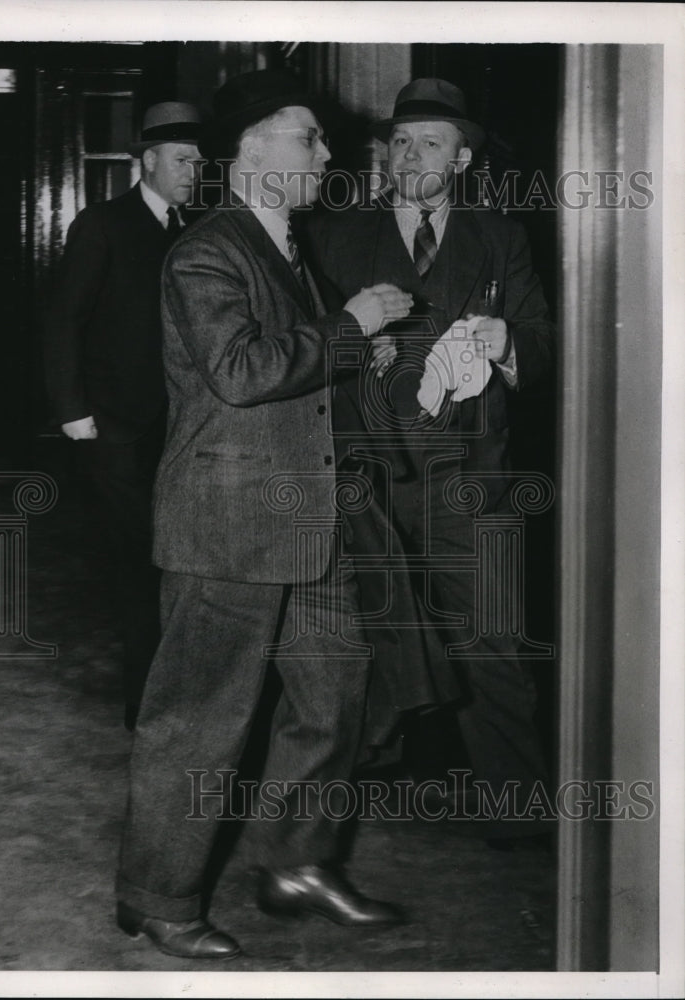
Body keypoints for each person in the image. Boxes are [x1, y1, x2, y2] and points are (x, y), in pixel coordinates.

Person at [115, 70, 415, 960]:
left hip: (306, 517)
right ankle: (157, 898)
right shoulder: (209, 250)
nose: (327, 155)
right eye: (309, 138)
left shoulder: (286, 245)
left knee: (333, 696)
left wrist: (361, 344)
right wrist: (349, 327)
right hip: (227, 520)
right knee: (200, 716)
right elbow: (242, 372)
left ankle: (296, 864)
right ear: (250, 151)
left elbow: (301, 372)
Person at [304, 78, 554, 842]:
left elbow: (543, 345)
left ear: (464, 158)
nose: (411, 157)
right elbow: (299, 350)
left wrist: (507, 343)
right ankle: (348, 813)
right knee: (360, 646)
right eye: (401, 143)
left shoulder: (499, 237)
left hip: (469, 480)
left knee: (491, 645)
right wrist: (352, 350)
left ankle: (517, 809)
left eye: (431, 144)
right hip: (370, 480)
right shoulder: (333, 235)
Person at [43, 102, 202, 730]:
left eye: (199, 160)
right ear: (148, 162)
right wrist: (73, 413)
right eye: (182, 160)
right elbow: (62, 320)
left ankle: (172, 696)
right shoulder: (103, 224)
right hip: (113, 428)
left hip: (181, 426)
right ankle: (148, 706)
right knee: (141, 563)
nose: (194, 170)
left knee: (175, 560)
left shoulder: (196, 227)